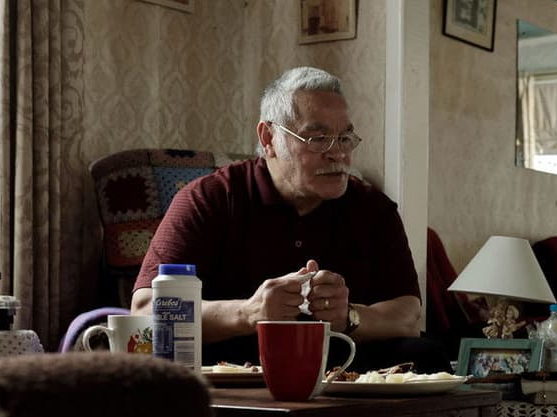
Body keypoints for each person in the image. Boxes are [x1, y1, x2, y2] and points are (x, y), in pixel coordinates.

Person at [131, 66, 449, 374]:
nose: (338, 154)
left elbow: (408, 314)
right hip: (235, 362)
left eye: (344, 138)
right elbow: (144, 311)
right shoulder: (209, 198)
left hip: (340, 361)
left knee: (426, 355)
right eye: (318, 138)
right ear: (268, 138)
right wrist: (248, 312)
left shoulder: (373, 208)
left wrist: (350, 317)